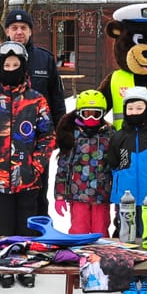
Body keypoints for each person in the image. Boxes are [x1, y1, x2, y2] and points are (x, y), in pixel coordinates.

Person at [0, 41, 55, 289]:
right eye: (7, 65)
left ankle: (25, 264)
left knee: (27, 221)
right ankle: (4, 264)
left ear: (24, 66)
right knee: (2, 221)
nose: (11, 68)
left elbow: (47, 136)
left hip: (27, 176)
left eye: (16, 65)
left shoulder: (36, 100)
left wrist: (36, 164)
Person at [0, 9, 66, 218]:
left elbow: (57, 100)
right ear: (7, 31)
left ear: (30, 31)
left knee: (37, 197)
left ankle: (39, 243)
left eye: (24, 28)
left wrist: (60, 137)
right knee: (4, 206)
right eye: (14, 28)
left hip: (36, 145)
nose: (19, 31)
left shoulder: (45, 59)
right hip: (3, 145)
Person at [105, 87, 147, 294]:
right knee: (127, 235)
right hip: (126, 198)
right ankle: (129, 276)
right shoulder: (118, 137)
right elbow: (114, 162)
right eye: (130, 108)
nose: (134, 112)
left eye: (139, 107)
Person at [54, 90, 114, 236]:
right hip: (78, 194)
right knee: (79, 230)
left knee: (100, 231)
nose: (92, 118)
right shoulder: (72, 135)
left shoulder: (110, 134)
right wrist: (60, 196)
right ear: (79, 113)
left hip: (102, 195)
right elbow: (63, 167)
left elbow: (116, 166)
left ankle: (101, 256)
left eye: (96, 113)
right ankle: (78, 255)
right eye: (87, 113)